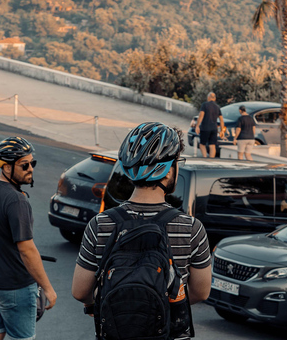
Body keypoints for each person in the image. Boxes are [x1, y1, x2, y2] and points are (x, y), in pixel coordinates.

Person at [71, 122, 212, 340]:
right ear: (168, 171)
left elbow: (80, 291)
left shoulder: (99, 224)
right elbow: (201, 292)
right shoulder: (191, 228)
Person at [0, 136, 57, 340]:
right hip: (14, 285)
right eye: (24, 165)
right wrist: (47, 288)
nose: (31, 169)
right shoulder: (17, 201)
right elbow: (26, 250)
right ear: (7, 167)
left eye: (32, 163)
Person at [195, 92, 224, 158]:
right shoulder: (217, 107)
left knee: (202, 144)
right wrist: (222, 130)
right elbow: (221, 120)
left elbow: (201, 116)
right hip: (214, 128)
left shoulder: (204, 105)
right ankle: (211, 159)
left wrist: (197, 126)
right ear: (215, 98)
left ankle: (205, 157)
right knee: (212, 145)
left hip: (205, 128)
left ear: (208, 97)